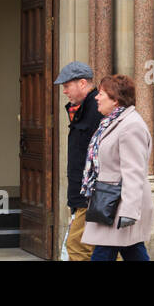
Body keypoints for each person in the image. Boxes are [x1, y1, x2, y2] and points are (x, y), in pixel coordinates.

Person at [80, 74, 154, 261]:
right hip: (110, 203)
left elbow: (134, 172)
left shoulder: (131, 126)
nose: (96, 97)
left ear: (115, 99)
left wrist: (129, 211)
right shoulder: (111, 122)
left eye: (102, 93)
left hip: (119, 205)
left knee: (105, 253)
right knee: (132, 250)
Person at [55, 60, 100, 261]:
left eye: (67, 86)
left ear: (82, 83)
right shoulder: (81, 109)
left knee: (77, 246)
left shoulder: (97, 110)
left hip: (89, 195)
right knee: (97, 247)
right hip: (82, 194)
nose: (64, 91)